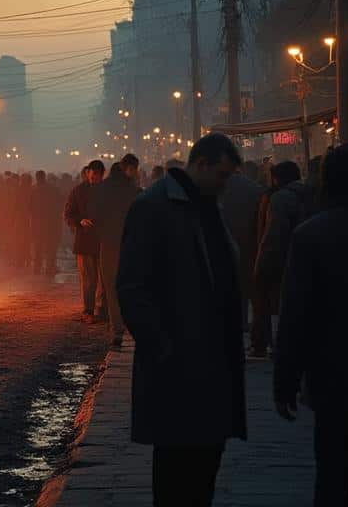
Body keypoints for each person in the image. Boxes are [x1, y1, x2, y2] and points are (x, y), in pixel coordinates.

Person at [117, 133, 246, 507]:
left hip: (213, 365)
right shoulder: (154, 206)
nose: (225, 185)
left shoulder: (208, 205)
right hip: (176, 366)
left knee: (205, 470)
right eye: (222, 175)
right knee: (176, 475)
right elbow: (131, 287)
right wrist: (162, 347)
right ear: (201, 164)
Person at [273, 143, 348, 506]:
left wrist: (285, 379)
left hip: (333, 380)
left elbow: (295, 315)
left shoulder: (310, 235)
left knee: (332, 479)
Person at [251, 160, 308, 358]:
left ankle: (276, 345)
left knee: (275, 305)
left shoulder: (279, 199)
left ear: (277, 179)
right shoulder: (312, 194)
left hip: (282, 261)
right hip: (306, 261)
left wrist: (261, 266)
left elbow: (274, 236)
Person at [92, 153, 141, 348]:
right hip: (130, 243)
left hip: (109, 243)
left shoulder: (104, 187)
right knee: (130, 285)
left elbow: (95, 213)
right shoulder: (133, 190)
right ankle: (131, 324)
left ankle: (117, 329)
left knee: (111, 287)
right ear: (129, 168)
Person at [220, 161, 266, 332]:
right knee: (250, 286)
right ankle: (254, 323)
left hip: (225, 243)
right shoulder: (256, 190)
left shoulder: (218, 188)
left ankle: (237, 321)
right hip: (250, 243)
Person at [63, 161, 105, 322]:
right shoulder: (78, 191)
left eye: (97, 176)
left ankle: (102, 309)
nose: (94, 178)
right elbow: (68, 214)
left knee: (104, 280)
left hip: (103, 241)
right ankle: (88, 310)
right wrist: (80, 221)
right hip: (85, 241)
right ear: (87, 173)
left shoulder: (107, 191)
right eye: (92, 175)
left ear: (102, 174)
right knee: (88, 279)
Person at [30, 170, 63, 276]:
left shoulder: (33, 190)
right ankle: (49, 268)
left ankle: (37, 268)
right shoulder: (53, 189)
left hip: (38, 223)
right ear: (44, 177)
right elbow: (60, 204)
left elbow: (30, 208)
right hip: (51, 223)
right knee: (50, 247)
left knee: (38, 246)